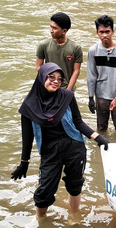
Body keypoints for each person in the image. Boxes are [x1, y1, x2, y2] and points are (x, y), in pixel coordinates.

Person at [11, 62, 109, 218]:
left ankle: (74, 216)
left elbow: (78, 121)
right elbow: (27, 136)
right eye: (51, 77)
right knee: (44, 190)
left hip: (74, 147)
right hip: (50, 152)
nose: (56, 81)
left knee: (75, 184)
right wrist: (24, 162)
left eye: (59, 79)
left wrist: (98, 138)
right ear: (42, 77)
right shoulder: (29, 105)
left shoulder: (67, 96)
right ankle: (40, 221)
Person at [86, 14, 116, 133]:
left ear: (113, 31)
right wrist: (90, 97)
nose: (105, 35)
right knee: (101, 128)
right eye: (101, 32)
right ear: (97, 33)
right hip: (101, 95)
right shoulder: (93, 51)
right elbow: (91, 75)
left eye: (107, 31)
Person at [36, 12, 83, 91]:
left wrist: (68, 90)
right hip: (48, 88)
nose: (51, 30)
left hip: (66, 88)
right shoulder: (43, 45)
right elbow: (38, 66)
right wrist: (49, 82)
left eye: (54, 28)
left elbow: (76, 71)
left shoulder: (76, 48)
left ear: (64, 31)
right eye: (50, 27)